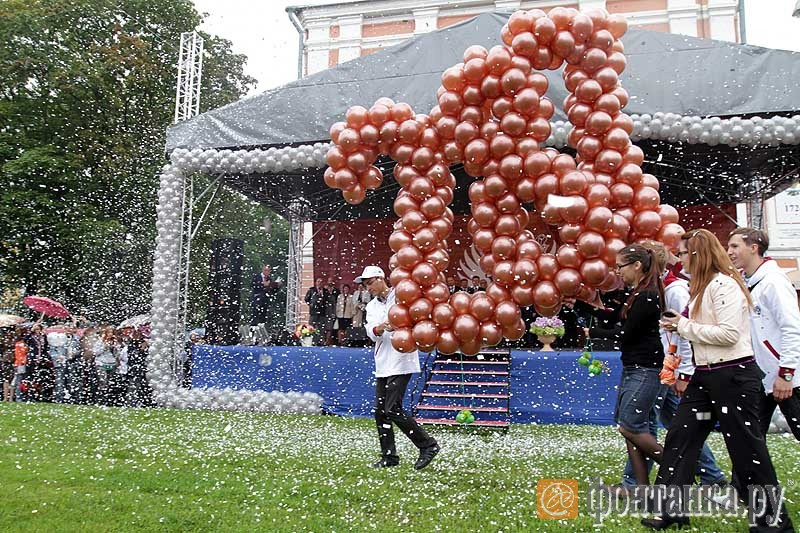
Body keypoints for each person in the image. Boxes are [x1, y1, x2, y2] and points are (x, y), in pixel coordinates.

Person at [648, 229, 793, 531]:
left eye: (684, 253)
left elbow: (727, 335)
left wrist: (683, 326)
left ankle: (772, 523)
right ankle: (670, 509)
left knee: (747, 451)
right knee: (680, 437)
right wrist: (681, 331)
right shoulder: (701, 288)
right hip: (706, 375)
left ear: (698, 254)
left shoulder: (725, 285)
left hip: (733, 375)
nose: (679, 259)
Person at [619, 242, 727, 490]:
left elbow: (683, 332)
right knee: (664, 424)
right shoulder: (655, 288)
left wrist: (685, 373)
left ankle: (687, 474)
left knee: (644, 425)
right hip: (665, 366)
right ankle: (639, 483)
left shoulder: (674, 291)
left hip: (669, 367)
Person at [585, 244, 668, 490]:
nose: (618, 272)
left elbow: (625, 333)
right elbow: (615, 318)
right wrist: (581, 305)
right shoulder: (638, 293)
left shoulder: (648, 295)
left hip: (645, 368)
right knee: (628, 427)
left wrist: (594, 333)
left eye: (620, 266)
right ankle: (639, 487)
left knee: (631, 426)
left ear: (637, 265)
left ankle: (677, 470)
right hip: (635, 366)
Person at [358, 265, 440, 469]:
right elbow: (370, 331)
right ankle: (389, 456)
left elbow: (416, 315)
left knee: (392, 408)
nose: (368, 288)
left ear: (381, 278)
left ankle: (427, 445)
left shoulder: (401, 296)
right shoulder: (372, 306)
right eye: (365, 285)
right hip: (383, 361)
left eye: (370, 283)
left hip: (402, 359)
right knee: (380, 411)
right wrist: (379, 328)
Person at [728, 227, 800, 440]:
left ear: (754, 248)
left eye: (735, 246)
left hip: (785, 376)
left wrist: (786, 373)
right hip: (758, 374)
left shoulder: (774, 282)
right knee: (749, 438)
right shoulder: (746, 281)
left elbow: (791, 327)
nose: (729, 252)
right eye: (728, 246)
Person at [304, 278, 326, 345]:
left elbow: (327, 300)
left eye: (321, 282)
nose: (319, 283)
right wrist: (311, 304)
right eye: (318, 281)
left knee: (321, 327)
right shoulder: (312, 290)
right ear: (316, 283)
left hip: (322, 312)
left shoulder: (325, 291)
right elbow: (306, 299)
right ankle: (312, 341)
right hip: (313, 312)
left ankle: (320, 341)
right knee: (312, 326)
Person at [324, 280, 339, 346]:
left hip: (331, 313)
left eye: (331, 287)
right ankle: (324, 340)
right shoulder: (324, 295)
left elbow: (334, 305)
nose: (330, 289)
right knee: (324, 328)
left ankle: (327, 341)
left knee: (329, 328)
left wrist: (334, 313)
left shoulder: (333, 296)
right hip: (324, 314)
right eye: (329, 287)